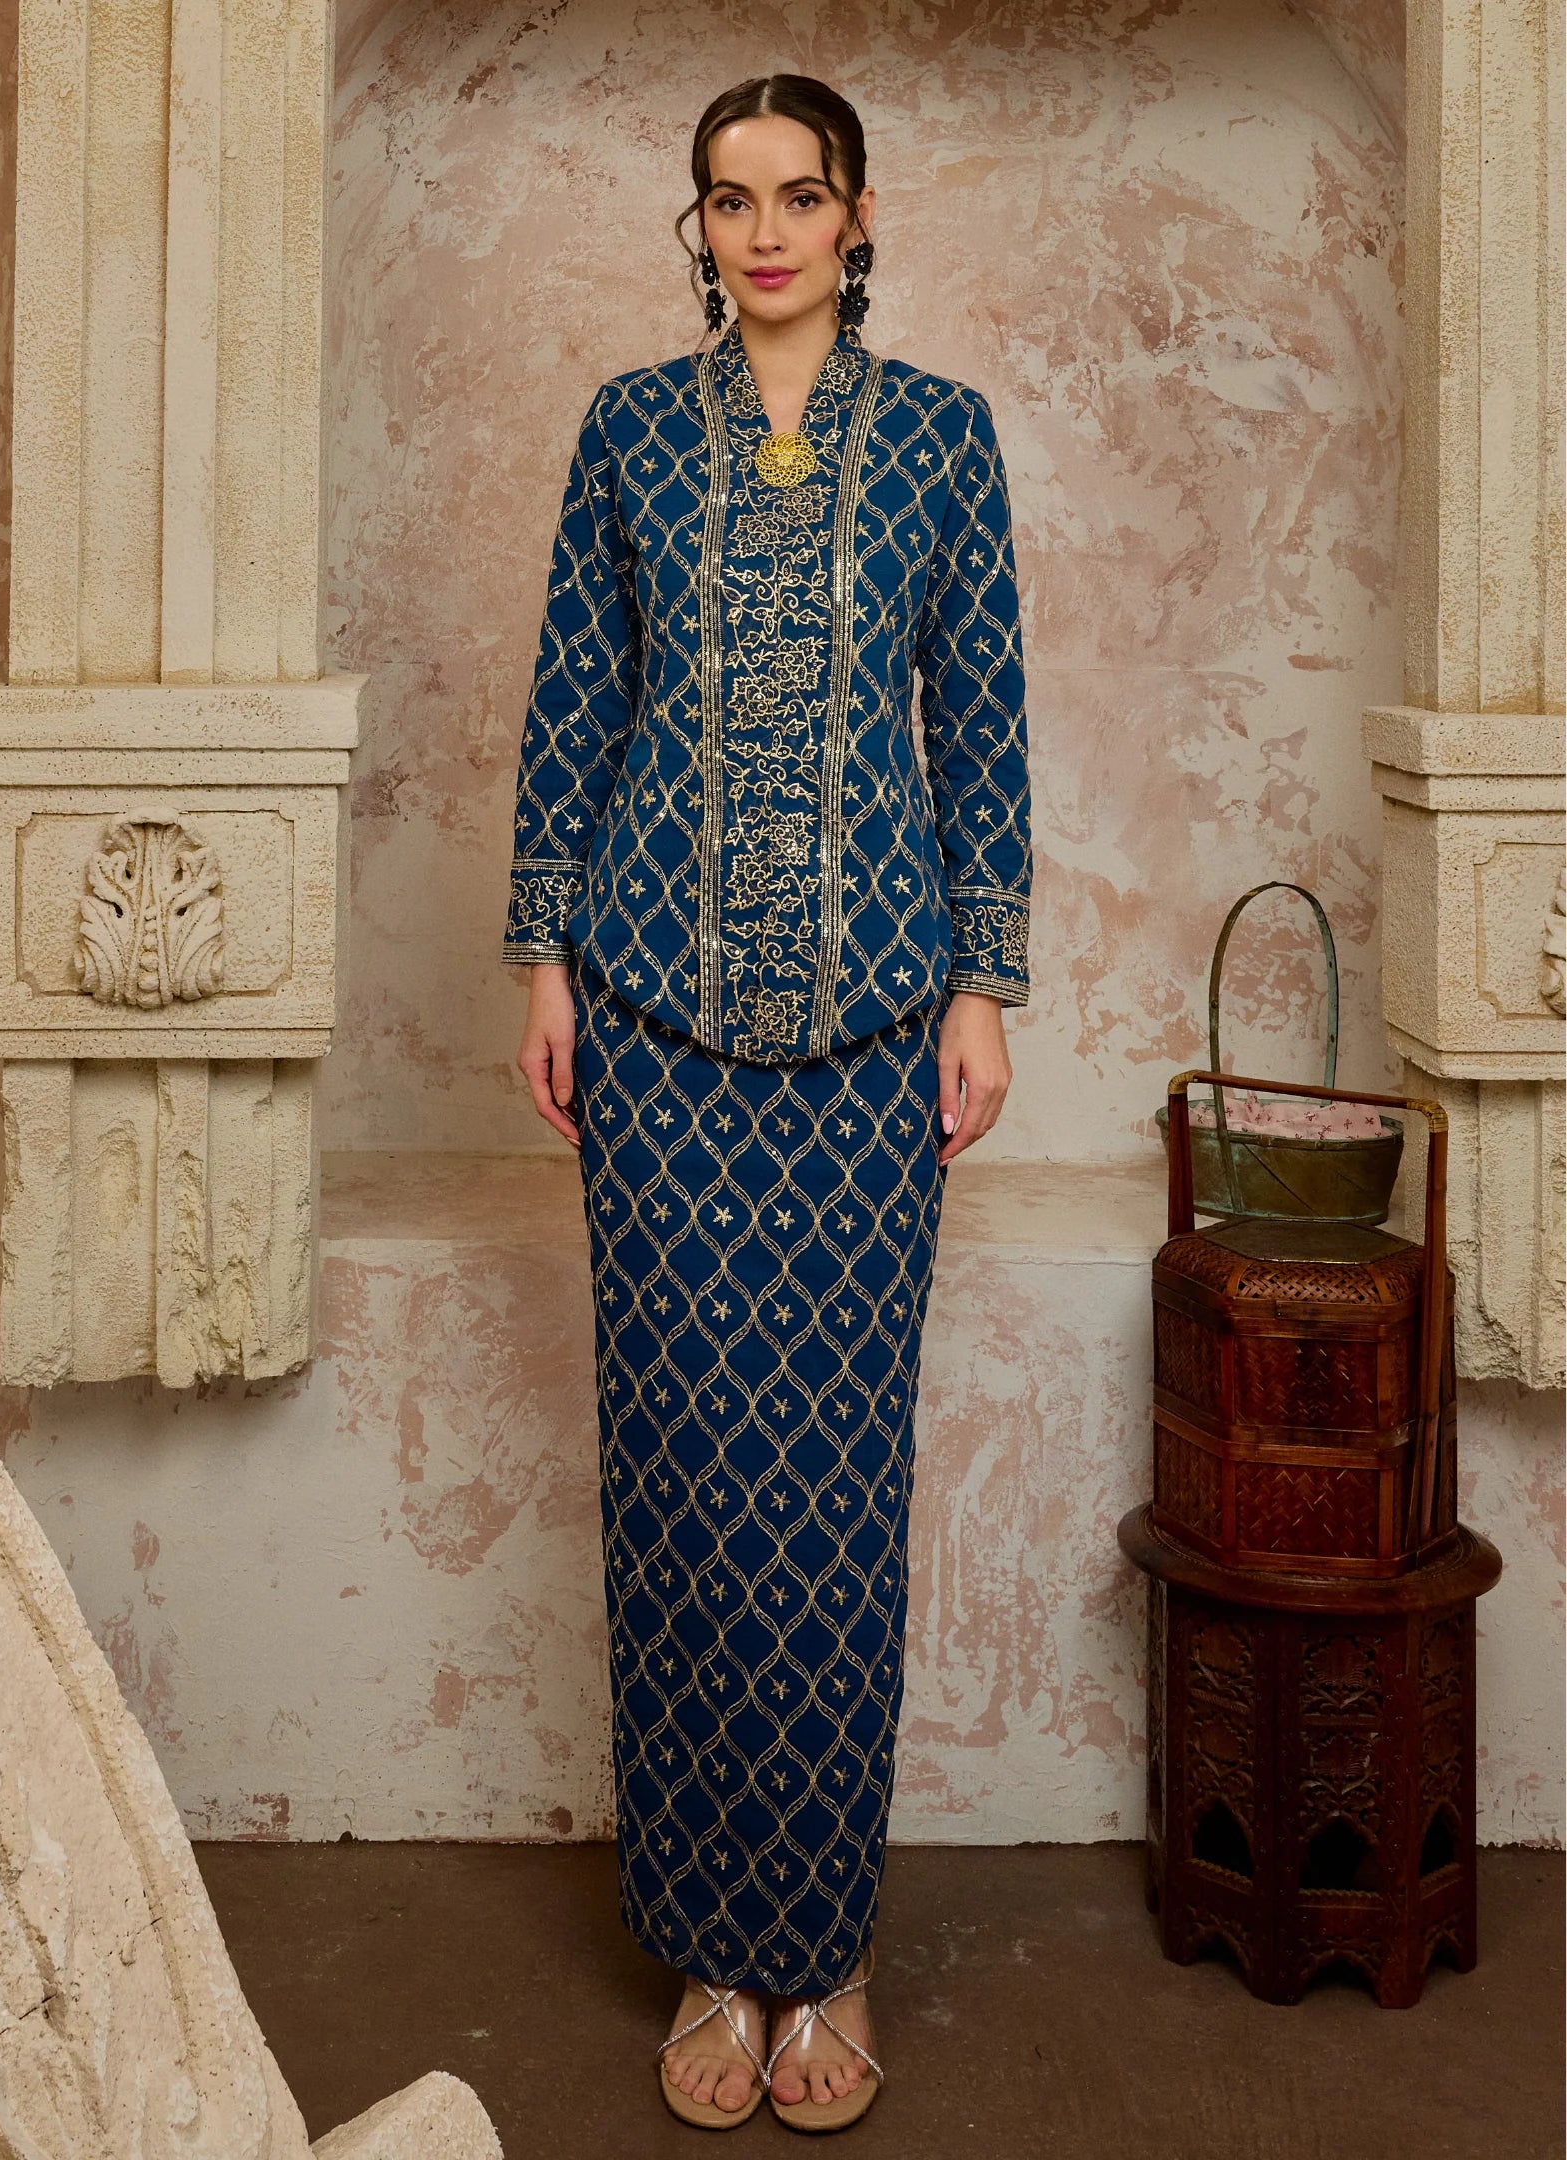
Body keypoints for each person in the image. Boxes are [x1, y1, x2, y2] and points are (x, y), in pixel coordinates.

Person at [502, 71, 1032, 2132]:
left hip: (876, 1034)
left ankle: (828, 1949)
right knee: (684, 1483)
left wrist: (982, 989)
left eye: (800, 195)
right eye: (731, 202)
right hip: (650, 1030)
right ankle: (714, 1953)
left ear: (857, 212)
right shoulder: (632, 429)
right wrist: (546, 962)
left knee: (835, 1492)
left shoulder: (944, 440)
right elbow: (573, 695)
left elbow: (980, 719)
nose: (768, 232)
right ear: (699, 227)